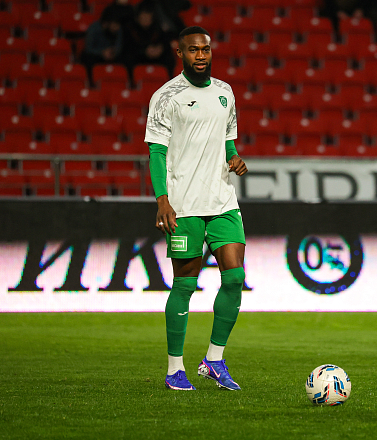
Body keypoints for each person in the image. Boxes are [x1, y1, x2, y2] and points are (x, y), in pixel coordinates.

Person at [144, 26, 249, 391]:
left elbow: (227, 141)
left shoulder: (225, 92)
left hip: (222, 200)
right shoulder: (166, 97)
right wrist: (162, 199)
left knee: (234, 277)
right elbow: (156, 153)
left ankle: (214, 360)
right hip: (184, 205)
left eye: (205, 49)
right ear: (180, 54)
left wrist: (234, 158)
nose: (200, 55)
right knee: (185, 284)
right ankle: (175, 368)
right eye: (193, 50)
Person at [123, 3, 176, 78]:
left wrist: (160, 49)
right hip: (138, 58)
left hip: (157, 57)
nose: (146, 19)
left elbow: (166, 42)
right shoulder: (130, 29)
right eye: (144, 17)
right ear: (138, 17)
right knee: (128, 59)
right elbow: (128, 47)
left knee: (169, 58)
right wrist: (144, 51)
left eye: (148, 17)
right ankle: (132, 82)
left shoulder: (157, 27)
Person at [80, 7, 124, 81]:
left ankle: (118, 82)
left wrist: (113, 52)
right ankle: (93, 82)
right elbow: (88, 48)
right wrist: (102, 53)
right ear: (106, 24)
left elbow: (119, 45)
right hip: (96, 55)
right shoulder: (94, 28)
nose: (116, 28)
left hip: (111, 54)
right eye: (114, 25)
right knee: (88, 58)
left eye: (117, 25)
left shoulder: (118, 30)